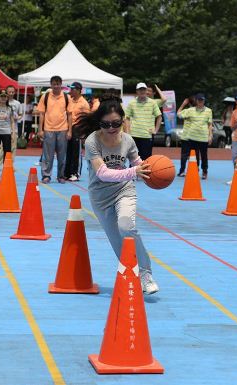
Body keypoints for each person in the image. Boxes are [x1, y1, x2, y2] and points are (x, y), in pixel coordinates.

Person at [77, 94, 159, 295]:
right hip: (100, 196)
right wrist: (134, 171)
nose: (112, 128)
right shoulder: (92, 141)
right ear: (99, 124)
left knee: (126, 226)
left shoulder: (128, 140)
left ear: (123, 120)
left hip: (124, 190)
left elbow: (137, 162)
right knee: (116, 241)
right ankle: (131, 275)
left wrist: (150, 171)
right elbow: (103, 173)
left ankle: (146, 274)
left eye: (116, 123)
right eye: (106, 124)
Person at [37, 75, 72, 184]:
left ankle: (61, 176)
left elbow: (70, 115)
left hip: (63, 129)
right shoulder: (45, 96)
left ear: (61, 85)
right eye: (54, 84)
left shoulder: (67, 97)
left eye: (58, 84)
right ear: (51, 85)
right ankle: (46, 175)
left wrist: (70, 130)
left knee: (62, 155)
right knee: (48, 155)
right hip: (48, 129)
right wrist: (40, 130)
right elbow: (41, 114)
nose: (56, 86)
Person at [177, 93, 213, 179]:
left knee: (204, 156)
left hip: (203, 137)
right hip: (192, 137)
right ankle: (194, 169)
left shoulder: (208, 111)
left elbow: (210, 124)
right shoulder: (190, 110)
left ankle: (205, 171)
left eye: (202, 100)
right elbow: (179, 115)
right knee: (193, 155)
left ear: (204, 101)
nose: (201, 102)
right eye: (199, 100)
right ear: (196, 101)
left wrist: (210, 135)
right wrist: (183, 104)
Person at [125, 83, 162, 161]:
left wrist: (156, 130)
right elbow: (126, 118)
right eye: (140, 89)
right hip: (134, 135)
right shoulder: (132, 103)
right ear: (137, 91)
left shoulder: (153, 102)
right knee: (133, 159)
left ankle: (144, 173)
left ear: (146, 90)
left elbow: (159, 117)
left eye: (143, 89)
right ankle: (132, 173)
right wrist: (128, 133)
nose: (142, 91)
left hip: (147, 135)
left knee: (146, 159)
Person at [64, 82, 90, 181]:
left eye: (72, 89)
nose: (70, 91)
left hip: (78, 128)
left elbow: (87, 119)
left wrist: (84, 133)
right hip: (68, 127)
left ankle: (75, 173)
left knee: (76, 152)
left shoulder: (84, 103)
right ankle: (67, 172)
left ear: (78, 90)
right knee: (68, 151)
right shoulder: (70, 100)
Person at [0, 89, 15, 167]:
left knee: (7, 151)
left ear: (7, 98)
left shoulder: (10, 108)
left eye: (5, 96)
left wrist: (13, 133)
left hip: (6, 132)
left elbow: (12, 122)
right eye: (2, 96)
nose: (3, 98)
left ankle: (6, 166)